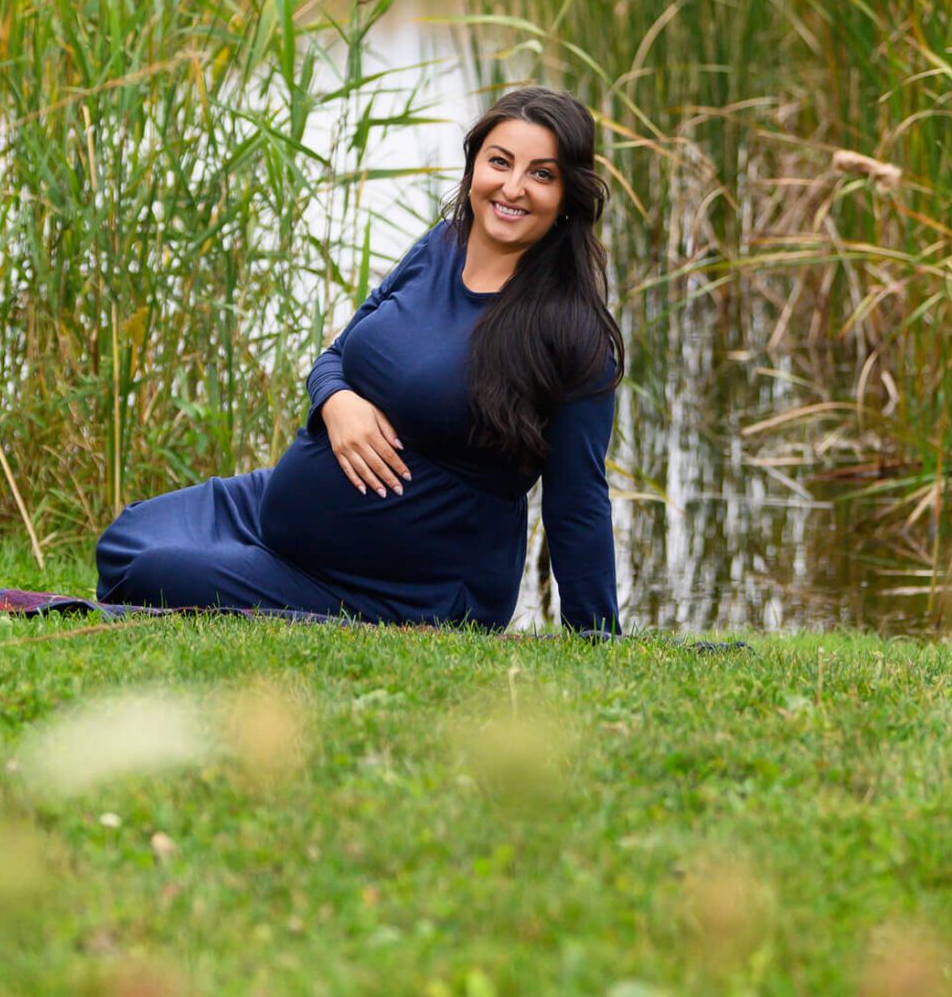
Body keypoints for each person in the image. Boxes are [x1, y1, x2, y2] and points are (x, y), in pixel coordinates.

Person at [94, 87, 625, 634]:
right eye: (500, 162)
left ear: (567, 196)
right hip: (279, 520)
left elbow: (577, 501)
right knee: (127, 538)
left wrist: (596, 636)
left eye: (542, 174)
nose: (512, 187)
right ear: (473, 170)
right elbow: (335, 355)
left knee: (151, 571)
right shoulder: (441, 246)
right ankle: (258, 569)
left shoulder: (571, 334)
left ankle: (322, 604)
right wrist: (336, 400)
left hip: (410, 584)